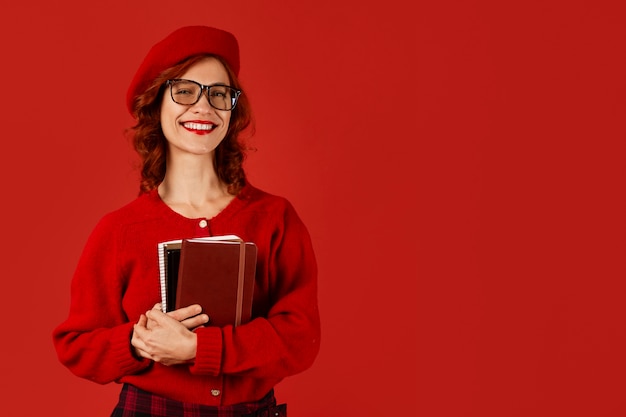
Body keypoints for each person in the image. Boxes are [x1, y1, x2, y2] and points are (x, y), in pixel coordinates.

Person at [52, 25, 320, 417]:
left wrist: (199, 349)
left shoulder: (275, 218)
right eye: (184, 91)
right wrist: (138, 343)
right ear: (156, 105)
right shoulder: (119, 230)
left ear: (233, 109)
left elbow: (300, 339)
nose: (203, 107)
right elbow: (75, 344)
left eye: (218, 93)